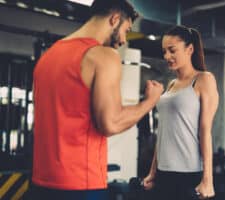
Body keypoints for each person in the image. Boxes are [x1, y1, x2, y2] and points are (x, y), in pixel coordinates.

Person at [30, 0, 164, 199]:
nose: (123, 40)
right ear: (114, 19)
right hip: (81, 185)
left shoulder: (48, 56)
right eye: (126, 30)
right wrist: (149, 102)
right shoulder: (103, 56)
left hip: (41, 185)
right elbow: (111, 123)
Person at [143, 25, 219, 200]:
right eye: (164, 52)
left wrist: (208, 179)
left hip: (188, 173)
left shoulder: (204, 80)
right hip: (164, 172)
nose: (167, 56)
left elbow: (205, 131)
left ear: (189, 49)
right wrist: (153, 171)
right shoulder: (171, 84)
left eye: (172, 50)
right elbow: (163, 132)